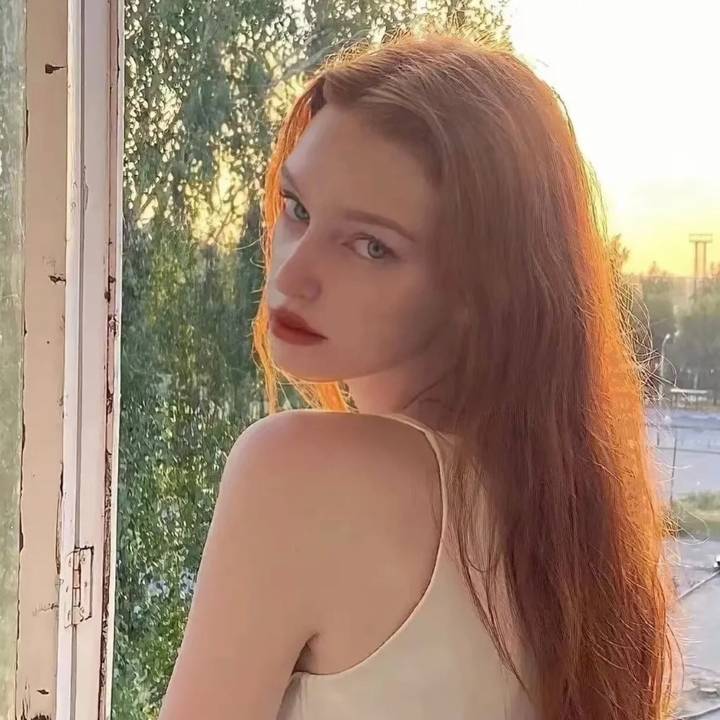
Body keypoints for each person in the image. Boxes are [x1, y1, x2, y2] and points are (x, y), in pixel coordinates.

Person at [158, 29, 680, 720]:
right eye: (298, 209)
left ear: (480, 288)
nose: (292, 273)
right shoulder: (575, 522)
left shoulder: (299, 472)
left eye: (372, 246)